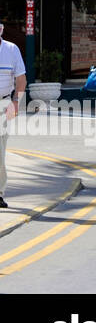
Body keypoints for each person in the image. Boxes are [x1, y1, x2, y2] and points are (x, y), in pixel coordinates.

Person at [0, 21, 27, 208]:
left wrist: (16, 102)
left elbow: (21, 79)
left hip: (3, 104)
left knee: (0, 150)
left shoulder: (11, 49)